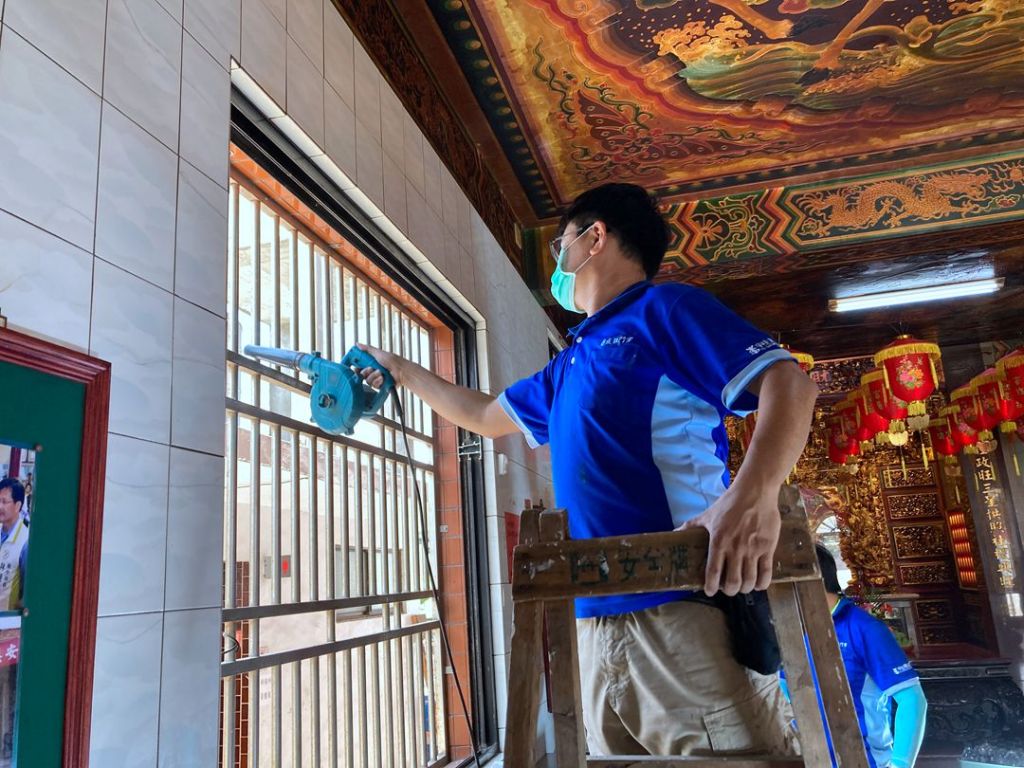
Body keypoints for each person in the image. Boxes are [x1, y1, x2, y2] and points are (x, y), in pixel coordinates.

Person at [357, 182, 818, 756]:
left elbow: (789, 384)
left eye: (561, 247)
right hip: (590, 621)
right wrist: (400, 370)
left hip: (681, 608)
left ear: (594, 238)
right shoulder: (570, 362)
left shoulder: (664, 310)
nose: (557, 266)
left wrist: (752, 497)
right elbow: (482, 415)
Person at [790, 545, 928, 768]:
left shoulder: (864, 628)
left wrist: (900, 764)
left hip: (864, 759)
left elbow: (911, 699)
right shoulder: (791, 630)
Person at [0, 478, 28, 611]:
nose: (0, 506)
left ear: (17, 506)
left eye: (4, 502)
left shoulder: (25, 541)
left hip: (6, 617)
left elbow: (28, 589)